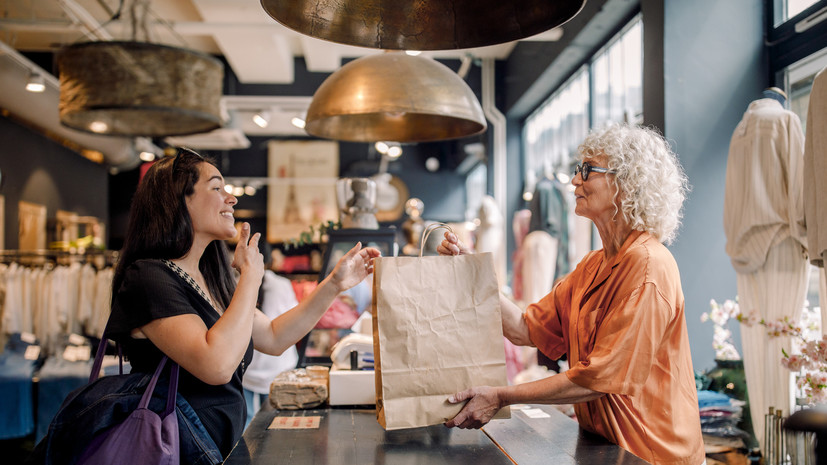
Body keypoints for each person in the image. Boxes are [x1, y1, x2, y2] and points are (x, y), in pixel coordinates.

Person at [438, 123, 704, 465]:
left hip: (653, 453)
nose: (575, 180)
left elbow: (600, 378)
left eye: (587, 170)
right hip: (606, 448)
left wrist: (502, 396)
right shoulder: (593, 265)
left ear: (626, 184)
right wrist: (470, 271)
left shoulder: (649, 266)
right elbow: (524, 327)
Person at [105, 147, 380, 460]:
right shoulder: (149, 277)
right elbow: (217, 365)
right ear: (179, 200)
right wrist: (250, 275)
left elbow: (274, 337)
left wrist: (334, 284)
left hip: (218, 447)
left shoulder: (210, 279)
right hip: (176, 450)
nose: (231, 198)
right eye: (217, 188)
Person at [241, 242, 299, 429]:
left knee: (246, 420)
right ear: (271, 259)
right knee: (275, 420)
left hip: (248, 365)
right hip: (278, 364)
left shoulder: (237, 283)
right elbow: (293, 319)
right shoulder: (283, 284)